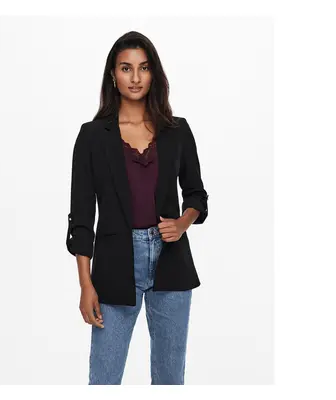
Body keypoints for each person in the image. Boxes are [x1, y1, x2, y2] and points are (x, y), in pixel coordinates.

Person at [66, 31, 209, 385]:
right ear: (113, 75)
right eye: (126, 68)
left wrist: (182, 223)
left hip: (171, 263)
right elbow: (82, 219)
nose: (135, 77)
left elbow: (196, 195)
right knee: (104, 380)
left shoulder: (177, 131)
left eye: (143, 68)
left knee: (170, 380)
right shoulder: (92, 136)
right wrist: (85, 284)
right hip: (115, 263)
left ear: (153, 73)